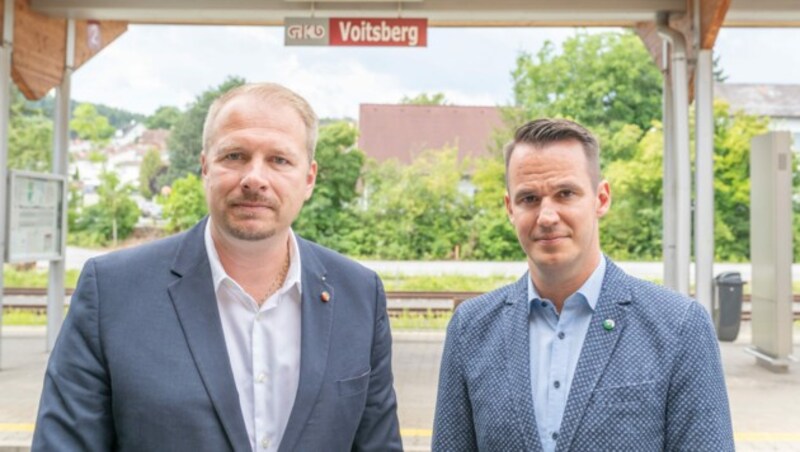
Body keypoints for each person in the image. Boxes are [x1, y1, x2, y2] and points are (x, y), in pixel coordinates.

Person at [33, 83, 402, 452]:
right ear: (206, 167)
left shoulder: (359, 295)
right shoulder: (112, 292)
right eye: (235, 156)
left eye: (279, 160)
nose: (254, 178)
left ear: (309, 178)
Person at [432, 118, 733, 451]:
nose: (547, 216)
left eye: (565, 194)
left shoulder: (678, 325)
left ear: (601, 198)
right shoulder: (471, 329)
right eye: (529, 198)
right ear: (509, 208)